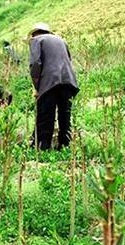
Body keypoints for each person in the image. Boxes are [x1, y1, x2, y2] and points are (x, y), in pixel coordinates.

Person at [28, 22, 79, 150]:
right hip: (68, 81)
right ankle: (65, 146)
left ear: (34, 34)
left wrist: (37, 86)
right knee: (65, 115)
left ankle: (42, 147)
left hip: (50, 81)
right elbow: (68, 59)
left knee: (46, 116)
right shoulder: (61, 40)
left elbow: (35, 64)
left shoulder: (36, 40)